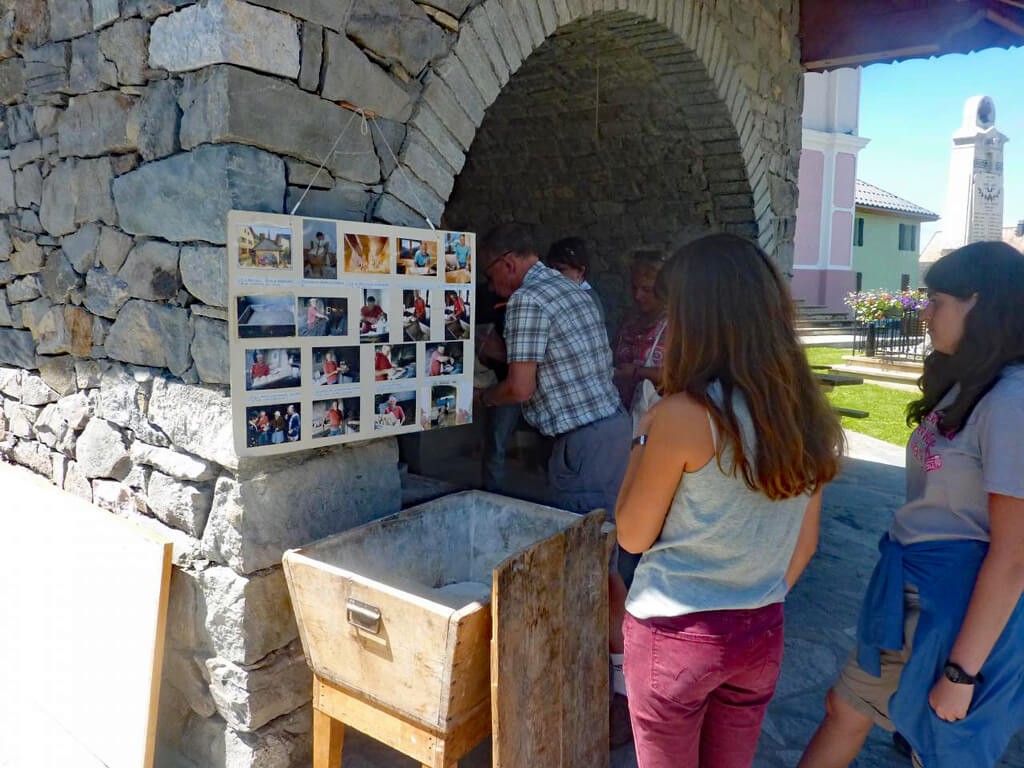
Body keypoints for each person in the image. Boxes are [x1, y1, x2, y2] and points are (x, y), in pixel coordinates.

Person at [616, 233, 843, 768]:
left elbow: (631, 534)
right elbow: (805, 545)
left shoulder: (684, 415)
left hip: (677, 633)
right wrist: (754, 594)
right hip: (761, 630)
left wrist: (643, 437)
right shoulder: (805, 413)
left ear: (697, 318)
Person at [799, 241, 1024, 768]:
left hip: (955, 605)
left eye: (937, 299)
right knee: (847, 707)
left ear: (981, 304)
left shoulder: (1012, 401)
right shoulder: (970, 382)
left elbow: (1014, 558)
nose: (925, 312)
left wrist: (961, 674)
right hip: (914, 591)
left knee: (941, 745)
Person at [477, 222, 633, 742]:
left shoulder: (525, 301)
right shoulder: (572, 289)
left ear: (507, 265)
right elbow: (554, 360)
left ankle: (608, 695)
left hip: (582, 446)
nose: (492, 290)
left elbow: (521, 388)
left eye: (491, 278)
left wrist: (481, 397)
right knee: (604, 562)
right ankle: (617, 684)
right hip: (612, 432)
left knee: (590, 573)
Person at [614, 250, 669, 409]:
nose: (638, 296)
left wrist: (637, 372)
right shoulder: (629, 321)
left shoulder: (677, 326)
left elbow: (684, 376)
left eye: (646, 290)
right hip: (627, 414)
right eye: (634, 288)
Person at [547, 236, 606, 323]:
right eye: (551, 268)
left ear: (580, 272)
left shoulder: (586, 302)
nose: (553, 274)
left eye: (561, 270)